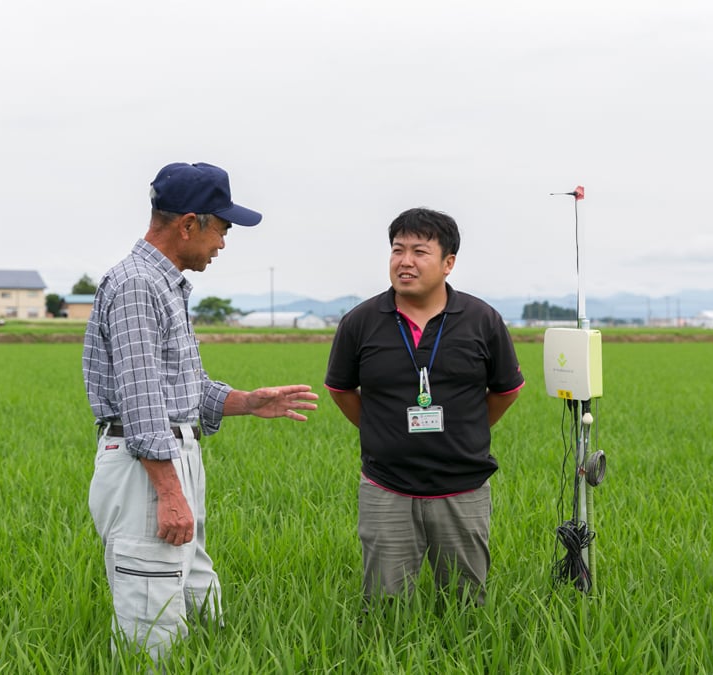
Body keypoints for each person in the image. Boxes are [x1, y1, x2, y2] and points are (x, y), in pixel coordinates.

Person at [83, 162, 318, 663]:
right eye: (223, 229)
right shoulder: (137, 286)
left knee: (194, 594)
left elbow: (182, 389)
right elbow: (143, 400)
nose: (223, 244)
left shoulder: (163, 285)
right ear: (189, 224)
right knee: (152, 623)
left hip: (167, 457)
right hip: (147, 466)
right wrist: (169, 492)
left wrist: (248, 402)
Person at [324, 207, 524, 607]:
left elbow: (505, 390)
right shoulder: (360, 321)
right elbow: (342, 389)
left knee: (466, 604)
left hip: (462, 487)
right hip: (386, 486)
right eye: (398, 250)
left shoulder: (482, 320)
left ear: (448, 263)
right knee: (385, 606)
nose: (405, 262)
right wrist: (381, 431)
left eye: (419, 251)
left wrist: (466, 432)